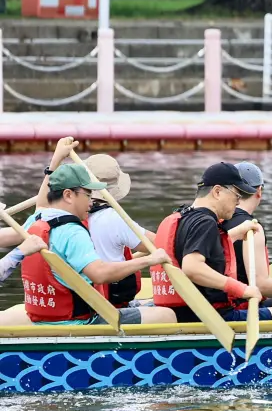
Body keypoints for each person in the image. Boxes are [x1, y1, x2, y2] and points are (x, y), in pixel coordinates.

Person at [1, 138, 173, 326]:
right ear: (68, 195)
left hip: (47, 315)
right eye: (88, 195)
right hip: (83, 321)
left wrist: (56, 159)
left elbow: (41, 204)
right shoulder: (74, 231)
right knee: (168, 316)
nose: (91, 202)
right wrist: (150, 260)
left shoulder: (40, 219)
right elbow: (99, 273)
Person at [151, 163, 272, 323]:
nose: (238, 201)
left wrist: (233, 235)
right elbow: (192, 267)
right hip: (211, 316)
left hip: (187, 311)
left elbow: (205, 249)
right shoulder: (205, 223)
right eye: (236, 195)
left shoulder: (185, 216)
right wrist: (242, 289)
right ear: (218, 191)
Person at [221, 162, 272, 308]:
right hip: (238, 305)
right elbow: (262, 286)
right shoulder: (252, 228)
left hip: (219, 300)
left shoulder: (216, 219)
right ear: (259, 191)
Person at [84, 154, 154, 310]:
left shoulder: (69, 214)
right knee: (164, 309)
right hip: (109, 305)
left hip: (83, 301)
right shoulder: (113, 218)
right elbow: (161, 243)